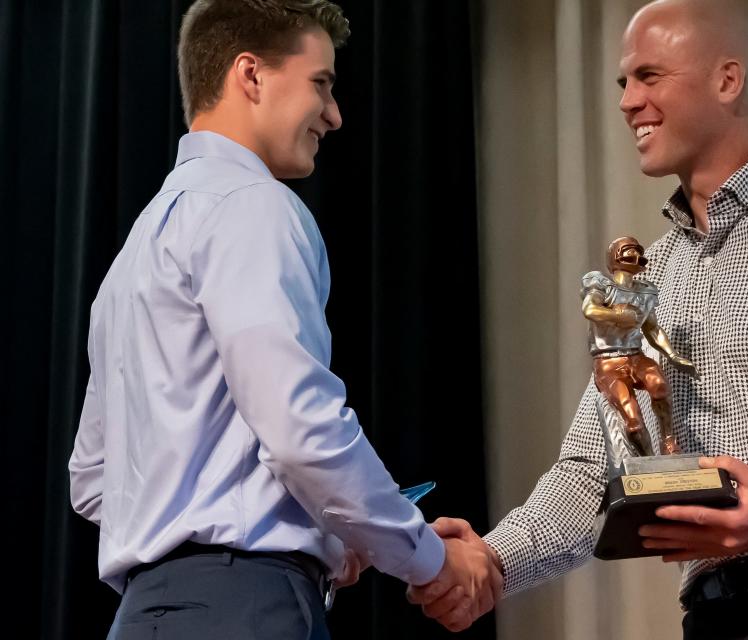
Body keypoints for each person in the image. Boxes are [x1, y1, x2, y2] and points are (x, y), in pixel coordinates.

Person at [408, 0, 748, 636]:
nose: (627, 101)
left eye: (649, 76)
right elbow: (598, 468)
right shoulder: (646, 281)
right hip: (715, 614)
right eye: (623, 83)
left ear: (728, 80)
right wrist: (493, 559)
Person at [67, 1, 487, 638]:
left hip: (139, 619)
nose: (335, 114)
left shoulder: (135, 250)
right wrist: (426, 559)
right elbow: (300, 426)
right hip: (247, 609)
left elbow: (94, 480)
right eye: (321, 83)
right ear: (251, 76)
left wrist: (319, 530)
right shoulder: (255, 206)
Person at [582, 236, 698, 455]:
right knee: (633, 418)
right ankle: (648, 463)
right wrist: (618, 315)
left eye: (637, 251)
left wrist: (673, 356)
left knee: (659, 385)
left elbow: (652, 328)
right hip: (608, 361)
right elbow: (590, 310)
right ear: (615, 256)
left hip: (635, 356)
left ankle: (668, 441)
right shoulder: (602, 286)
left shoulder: (644, 291)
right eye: (628, 250)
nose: (634, 255)